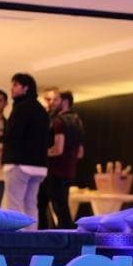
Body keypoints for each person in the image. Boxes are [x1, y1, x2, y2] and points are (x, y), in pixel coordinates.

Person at [1, 72, 50, 225]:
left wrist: (1, 139)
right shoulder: (42, 110)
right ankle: (32, 235)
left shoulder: (20, 108)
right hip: (39, 166)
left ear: (26, 88)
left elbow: (13, 134)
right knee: (31, 204)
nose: (12, 88)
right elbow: (48, 139)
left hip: (19, 163)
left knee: (14, 204)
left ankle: (15, 237)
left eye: (15, 85)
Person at [38, 90, 85, 229]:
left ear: (64, 102)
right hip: (69, 171)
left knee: (50, 205)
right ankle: (60, 233)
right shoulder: (78, 121)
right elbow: (80, 153)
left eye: (56, 100)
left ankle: (49, 234)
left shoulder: (59, 121)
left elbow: (58, 149)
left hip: (54, 170)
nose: (52, 103)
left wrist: (40, 153)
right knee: (58, 205)